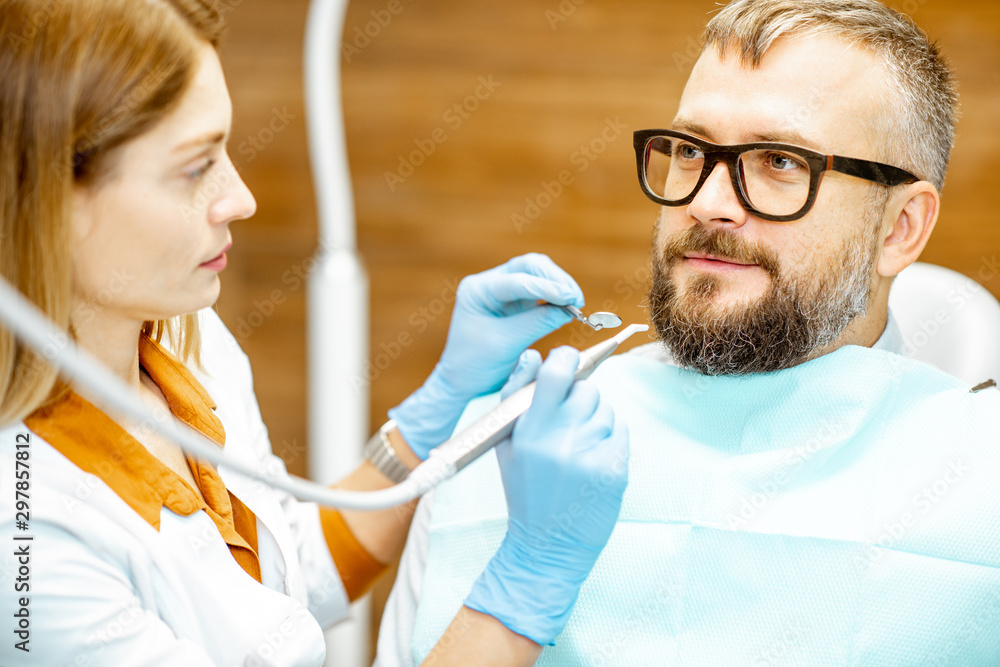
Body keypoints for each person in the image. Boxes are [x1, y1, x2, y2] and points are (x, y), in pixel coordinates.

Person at [0, 1, 628, 665]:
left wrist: (434, 415)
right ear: (46, 199)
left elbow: (290, 576)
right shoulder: (29, 542)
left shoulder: (187, 337)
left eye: (226, 148)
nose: (240, 197)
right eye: (193, 168)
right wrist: (524, 589)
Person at [377, 0, 1000, 664]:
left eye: (780, 161)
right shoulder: (503, 459)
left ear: (900, 227)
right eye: (689, 150)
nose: (707, 202)